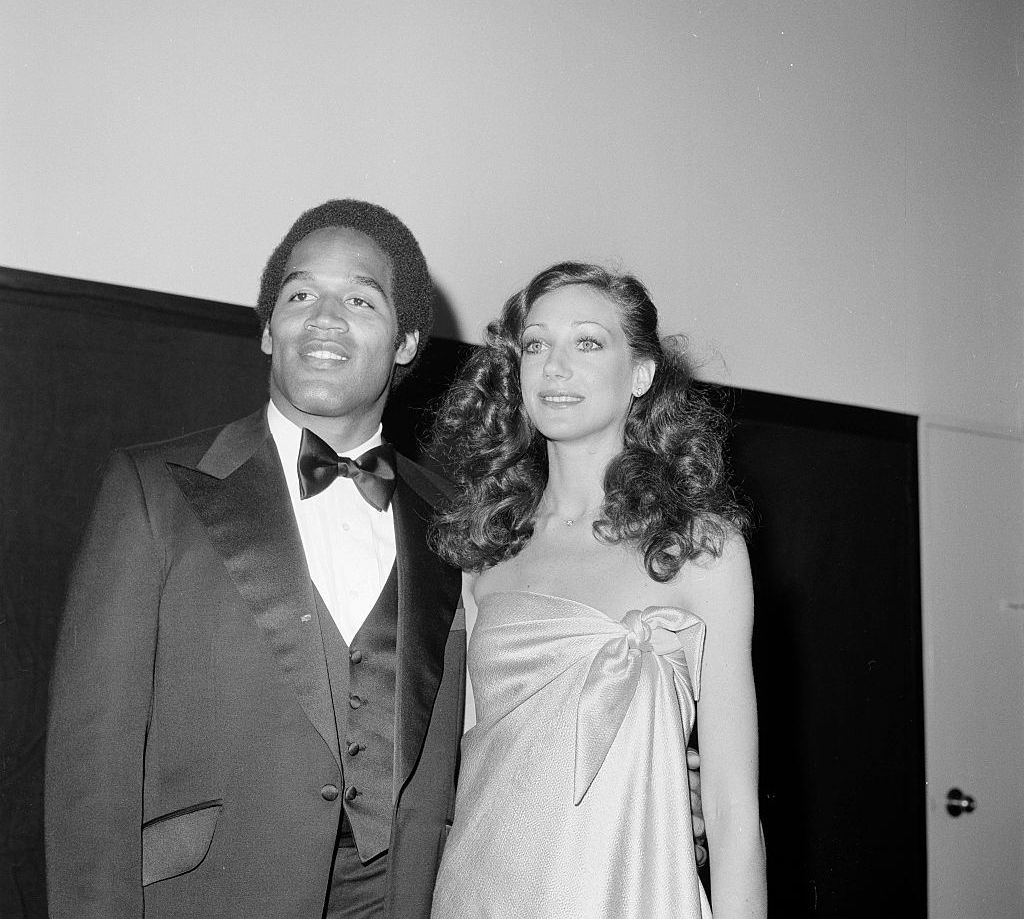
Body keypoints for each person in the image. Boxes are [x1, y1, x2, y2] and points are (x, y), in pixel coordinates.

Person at [45, 200, 467, 919]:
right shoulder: (150, 489)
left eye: (360, 300)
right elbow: (91, 768)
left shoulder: (458, 516)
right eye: (300, 295)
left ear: (407, 343)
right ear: (269, 330)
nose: (325, 319)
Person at [428, 262, 766, 918]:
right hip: (484, 892)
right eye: (535, 344)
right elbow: (467, 775)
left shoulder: (702, 551)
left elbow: (730, 807)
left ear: (640, 372)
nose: (554, 367)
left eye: (587, 342)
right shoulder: (487, 553)